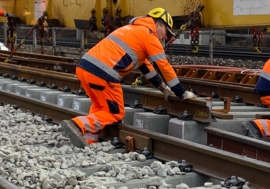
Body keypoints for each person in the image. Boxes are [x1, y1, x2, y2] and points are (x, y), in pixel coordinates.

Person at [61, 8, 198, 147]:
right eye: (166, 32)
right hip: (102, 74)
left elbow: (145, 67)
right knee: (116, 114)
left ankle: (89, 139)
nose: (166, 37)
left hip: (84, 68)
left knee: (101, 107)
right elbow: (164, 66)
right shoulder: (150, 35)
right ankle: (77, 125)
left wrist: (163, 88)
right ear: (158, 25)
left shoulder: (132, 30)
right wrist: (181, 93)